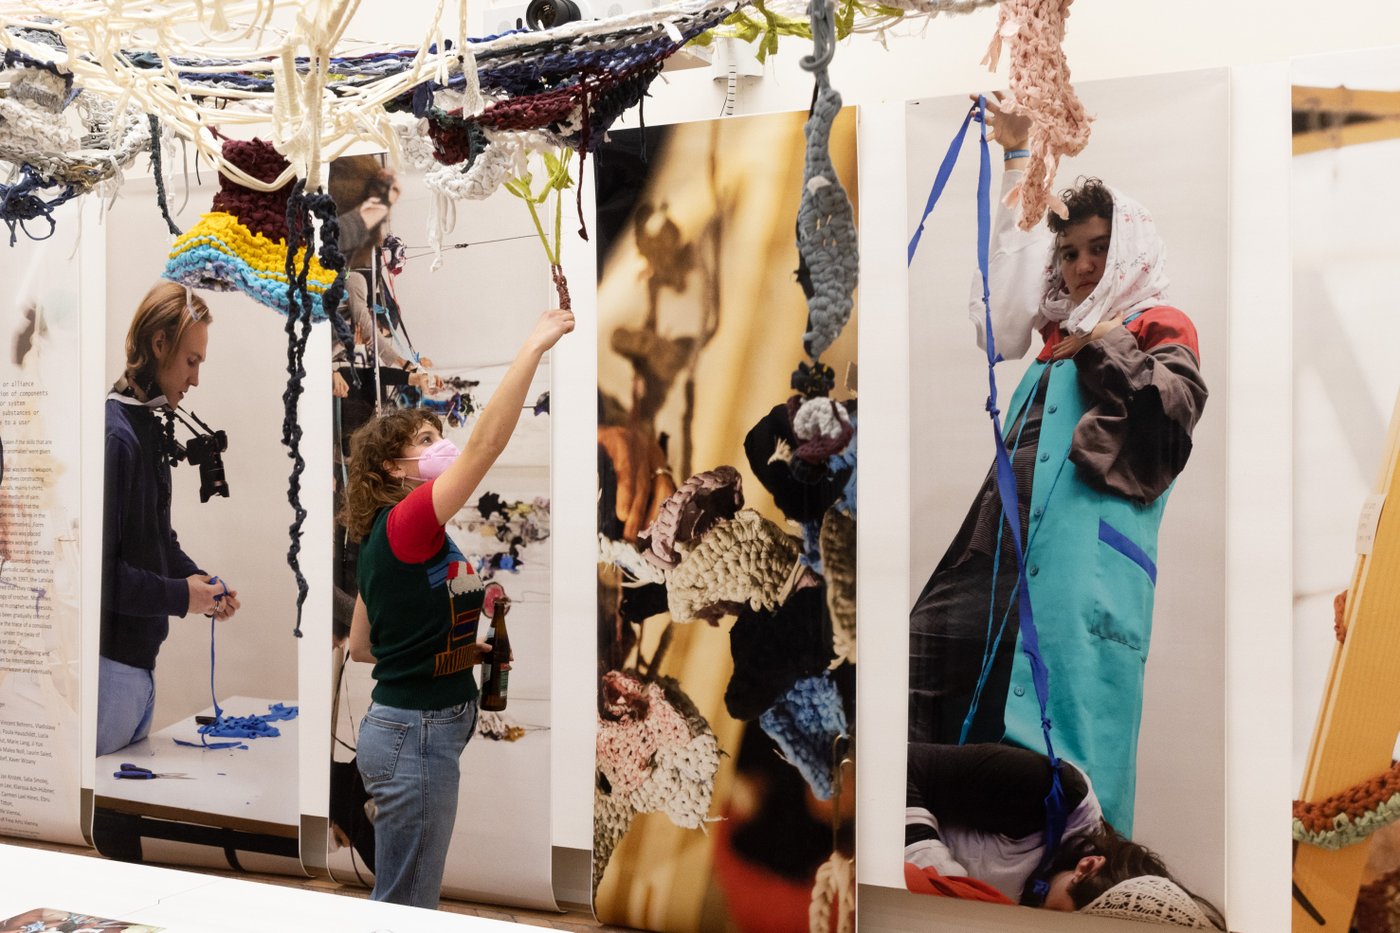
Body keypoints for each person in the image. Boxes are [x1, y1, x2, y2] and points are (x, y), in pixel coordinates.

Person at [907, 93, 1209, 834]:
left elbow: (1167, 417)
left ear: (1130, 249)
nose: (1079, 266)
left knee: (1063, 762)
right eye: (1069, 252)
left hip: (1079, 569)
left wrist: (1107, 339)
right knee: (919, 663)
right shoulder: (1057, 339)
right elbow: (1002, 313)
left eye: (1097, 249)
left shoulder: (1155, 326)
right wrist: (1017, 160)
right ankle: (929, 847)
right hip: (998, 553)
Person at [342, 305, 573, 908]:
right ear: (393, 468)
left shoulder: (385, 536)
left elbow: (365, 646)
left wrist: (463, 648)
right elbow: (489, 444)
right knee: (408, 906)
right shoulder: (409, 519)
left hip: (405, 730)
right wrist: (534, 346)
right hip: (413, 736)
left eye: (439, 435)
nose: (442, 446)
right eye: (425, 442)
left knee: (404, 896)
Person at [98, 282, 241, 757]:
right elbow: (103, 576)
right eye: (191, 361)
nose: (196, 379)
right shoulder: (117, 437)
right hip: (110, 670)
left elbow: (156, 539)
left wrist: (195, 579)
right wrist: (184, 596)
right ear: (158, 345)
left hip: (137, 670)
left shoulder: (148, 426)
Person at [905, 742, 1225, 928]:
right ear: (1087, 867)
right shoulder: (1052, 795)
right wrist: (944, 880)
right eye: (1062, 919)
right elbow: (900, 762)